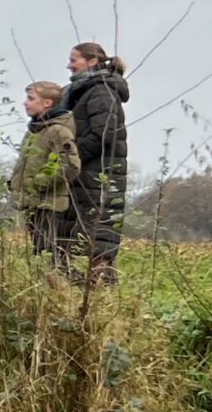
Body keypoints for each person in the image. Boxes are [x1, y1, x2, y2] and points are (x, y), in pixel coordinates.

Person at [63, 42, 130, 285]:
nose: (68, 65)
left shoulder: (101, 91)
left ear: (92, 62)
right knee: (83, 236)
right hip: (88, 177)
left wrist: (71, 157)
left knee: (98, 241)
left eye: (74, 59)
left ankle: (101, 299)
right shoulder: (85, 91)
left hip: (98, 176)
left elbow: (104, 134)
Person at [11, 80, 78, 272]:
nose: (25, 103)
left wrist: (38, 183)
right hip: (34, 202)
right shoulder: (36, 129)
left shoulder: (58, 131)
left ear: (47, 103)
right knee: (39, 253)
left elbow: (69, 165)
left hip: (48, 204)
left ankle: (59, 290)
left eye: (31, 99)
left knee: (47, 253)